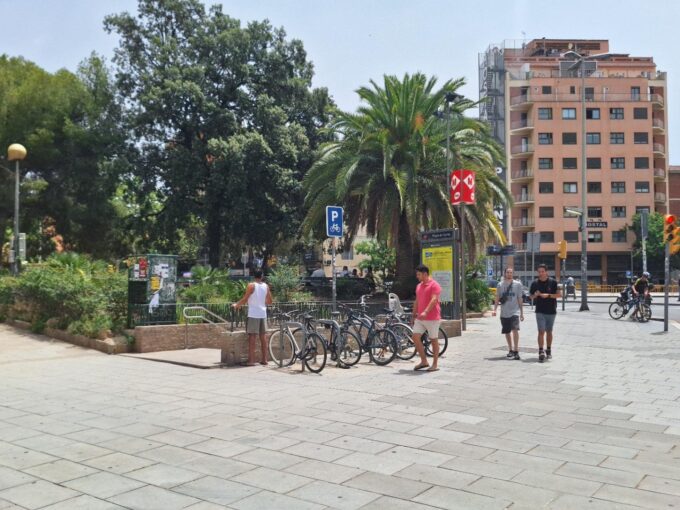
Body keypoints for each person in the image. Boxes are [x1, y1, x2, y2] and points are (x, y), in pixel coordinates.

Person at [232, 270, 273, 366]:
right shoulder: (266, 286)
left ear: (254, 276)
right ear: (262, 276)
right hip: (263, 314)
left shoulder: (251, 285)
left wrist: (236, 305)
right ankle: (264, 360)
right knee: (263, 337)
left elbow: (245, 299)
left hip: (253, 314)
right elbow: (270, 301)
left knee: (252, 337)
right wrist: (261, 302)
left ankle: (251, 361)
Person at [411, 264, 442, 372]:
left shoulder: (435, 285)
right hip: (420, 318)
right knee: (415, 337)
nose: (417, 276)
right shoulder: (419, 286)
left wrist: (426, 311)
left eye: (419, 274)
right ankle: (424, 361)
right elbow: (417, 301)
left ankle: (435, 364)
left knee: (433, 340)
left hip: (432, 318)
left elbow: (434, 300)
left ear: (425, 274)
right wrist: (414, 314)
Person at [529, 264, 560, 363]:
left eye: (542, 271)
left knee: (549, 331)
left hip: (551, 311)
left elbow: (559, 295)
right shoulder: (534, 283)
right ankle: (541, 351)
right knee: (541, 331)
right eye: (539, 272)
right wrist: (535, 295)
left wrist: (549, 295)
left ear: (547, 272)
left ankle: (549, 349)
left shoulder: (553, 282)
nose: (541, 273)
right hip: (540, 311)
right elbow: (531, 297)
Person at [492, 268, 524, 360]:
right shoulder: (500, 284)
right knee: (507, 331)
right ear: (505, 273)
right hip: (504, 312)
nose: (509, 274)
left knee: (515, 330)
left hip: (515, 311)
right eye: (507, 272)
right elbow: (497, 297)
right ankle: (510, 350)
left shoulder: (518, 284)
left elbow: (520, 298)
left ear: (513, 274)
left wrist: (521, 313)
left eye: (511, 272)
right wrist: (494, 310)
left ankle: (516, 350)